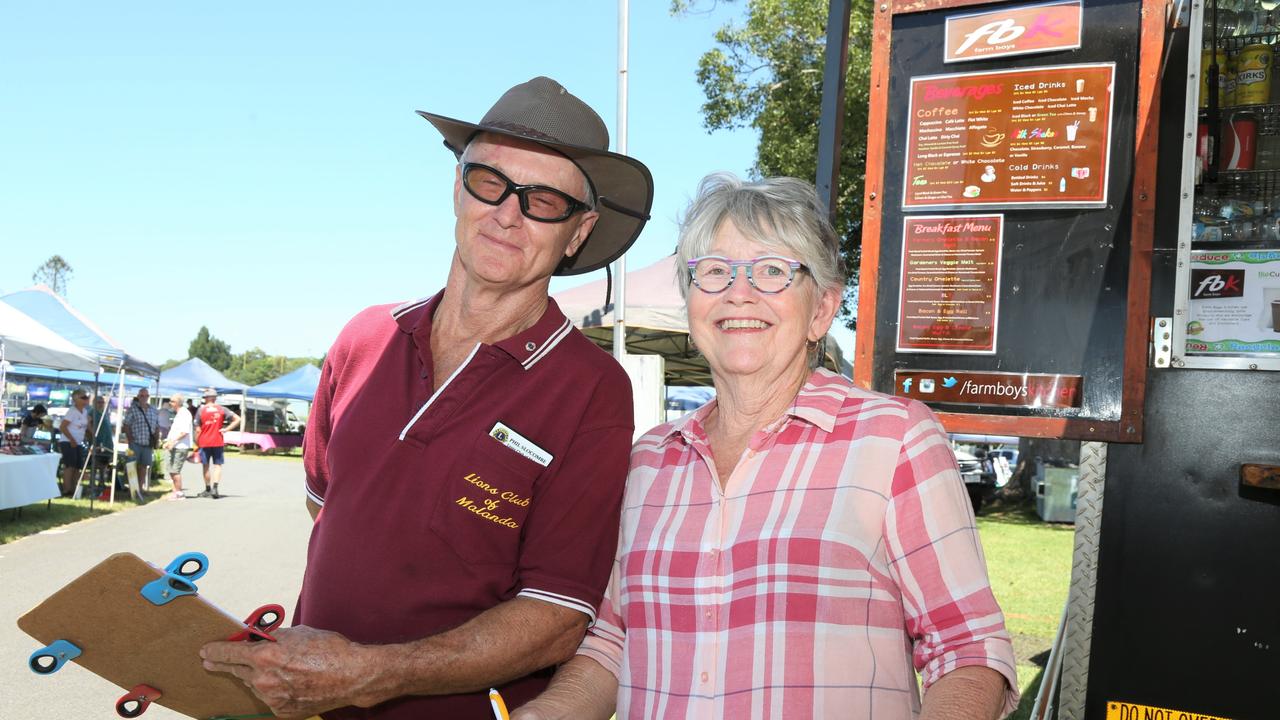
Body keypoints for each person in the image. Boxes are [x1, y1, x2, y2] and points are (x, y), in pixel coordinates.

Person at [199, 76, 654, 719]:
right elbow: (329, 511)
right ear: (457, 187)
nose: (507, 213)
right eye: (489, 181)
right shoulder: (365, 336)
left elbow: (557, 618)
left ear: (578, 233)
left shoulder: (593, 389)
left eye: (545, 200)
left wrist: (373, 674)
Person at [514, 174, 1018, 720]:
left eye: (773, 271)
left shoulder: (893, 437)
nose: (739, 293)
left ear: (822, 309)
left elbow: (967, 650)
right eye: (713, 272)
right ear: (690, 306)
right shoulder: (650, 459)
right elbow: (613, 642)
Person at [194, 388, 240, 499]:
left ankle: (208, 489)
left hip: (204, 441)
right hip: (217, 440)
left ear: (207, 398)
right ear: (215, 398)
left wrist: (196, 443)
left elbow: (198, 429)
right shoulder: (222, 409)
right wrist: (226, 429)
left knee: (205, 466)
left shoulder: (201, 410)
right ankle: (215, 488)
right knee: (217, 465)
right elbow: (238, 419)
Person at [123, 389, 159, 488]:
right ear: (138, 397)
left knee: (144, 466)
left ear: (148, 397)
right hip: (134, 443)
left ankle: (139, 488)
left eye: (146, 396)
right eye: (141, 396)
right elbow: (126, 425)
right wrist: (130, 439)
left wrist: (156, 441)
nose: (144, 398)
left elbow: (156, 427)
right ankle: (132, 488)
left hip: (148, 444)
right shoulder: (132, 409)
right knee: (131, 466)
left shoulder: (153, 410)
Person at [58, 390, 91, 496]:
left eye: (86, 397)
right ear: (76, 399)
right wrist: (71, 439)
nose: (86, 399)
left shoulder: (85, 411)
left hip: (78, 442)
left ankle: (74, 489)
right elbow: (62, 427)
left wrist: (94, 434)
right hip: (68, 442)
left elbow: (86, 426)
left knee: (77, 467)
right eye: (83, 397)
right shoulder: (72, 411)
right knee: (70, 466)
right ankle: (66, 489)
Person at [162, 394, 193, 499]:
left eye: (173, 401)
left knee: (175, 470)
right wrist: (168, 441)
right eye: (170, 401)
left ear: (179, 403)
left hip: (180, 446)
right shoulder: (179, 413)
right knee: (171, 469)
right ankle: (175, 491)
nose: (171, 403)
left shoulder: (184, 413)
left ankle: (179, 493)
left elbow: (184, 432)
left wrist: (172, 442)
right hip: (174, 445)